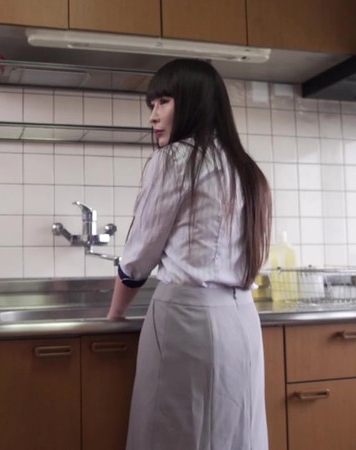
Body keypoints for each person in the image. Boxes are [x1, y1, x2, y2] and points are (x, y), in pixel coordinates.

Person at [106, 59, 273, 450]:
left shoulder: (175, 158)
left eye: (164, 102)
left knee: (174, 434)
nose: (153, 116)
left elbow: (139, 256)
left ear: (195, 103)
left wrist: (114, 317)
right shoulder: (246, 168)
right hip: (242, 321)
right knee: (236, 434)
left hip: (187, 321)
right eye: (152, 105)